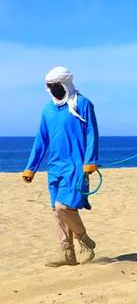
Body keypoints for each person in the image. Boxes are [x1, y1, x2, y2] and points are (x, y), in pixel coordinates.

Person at [22, 67, 99, 267]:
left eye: (55, 86)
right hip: (54, 167)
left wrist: (90, 161)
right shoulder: (47, 110)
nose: (52, 90)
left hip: (76, 166)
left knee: (63, 207)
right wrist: (31, 167)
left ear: (65, 84)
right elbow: (41, 138)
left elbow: (91, 132)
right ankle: (67, 254)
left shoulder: (82, 104)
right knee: (57, 212)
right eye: (49, 87)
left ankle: (84, 240)